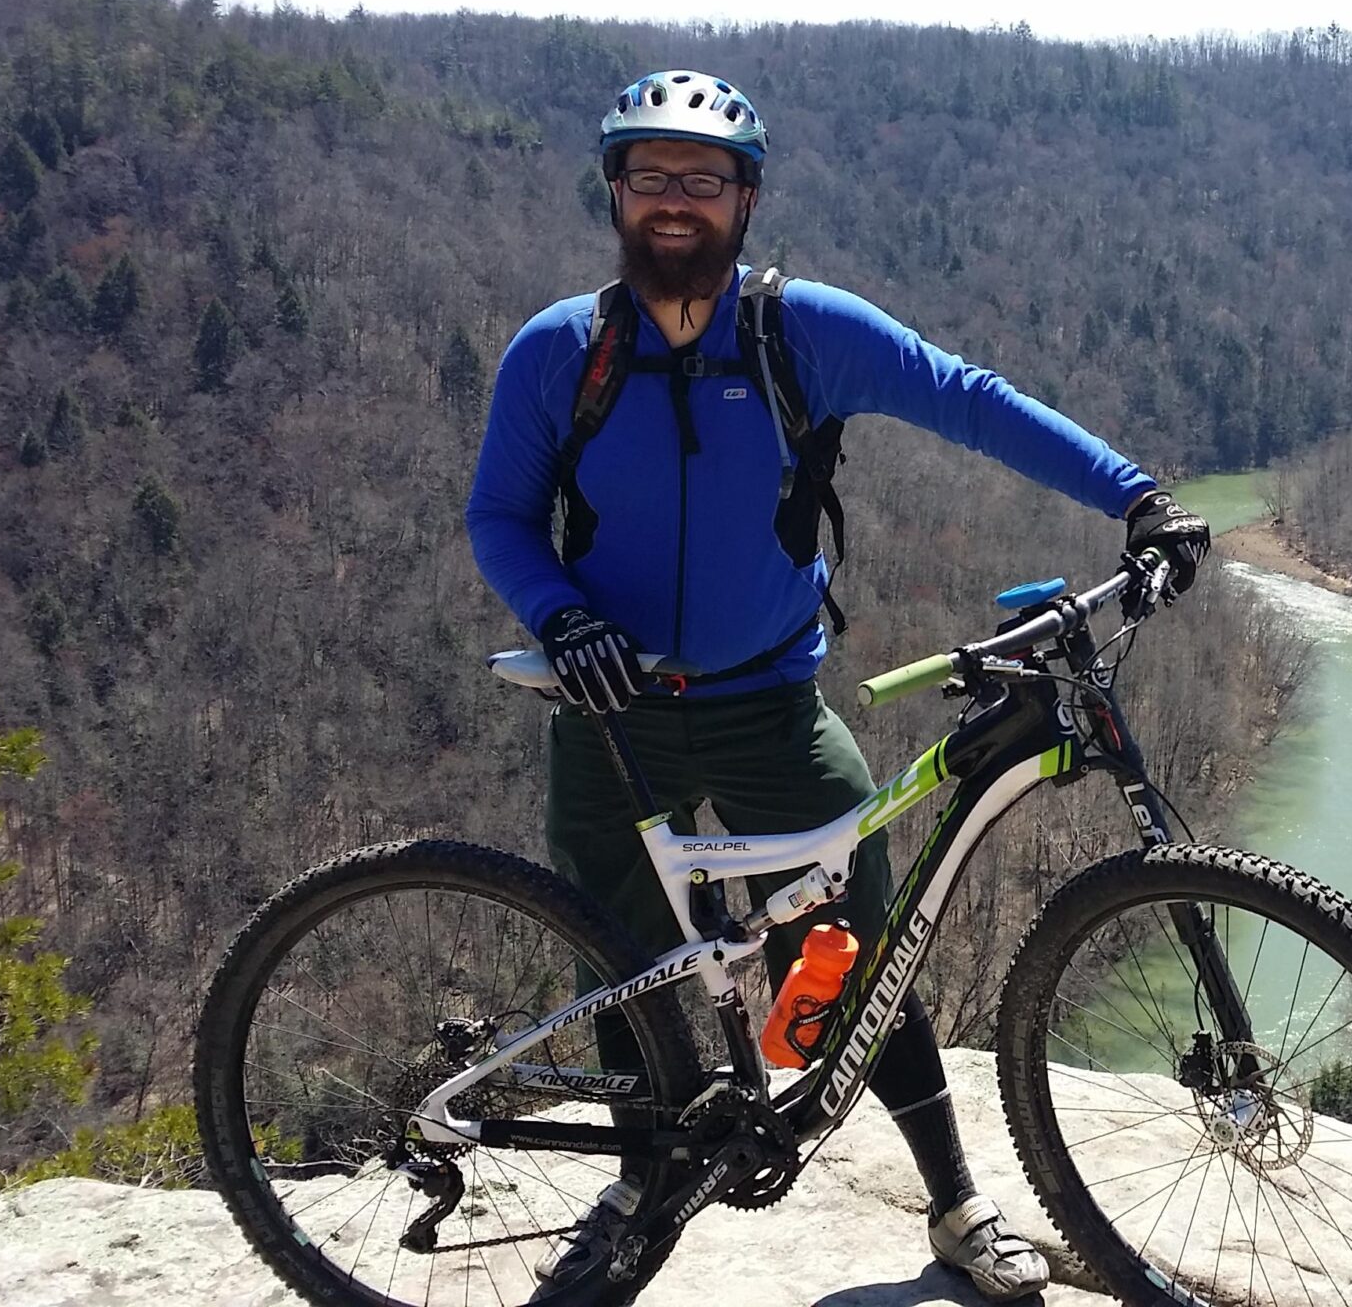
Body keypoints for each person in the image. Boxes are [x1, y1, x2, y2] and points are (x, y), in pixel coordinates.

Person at [465, 69, 1210, 1302]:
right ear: (614, 190)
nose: (674, 203)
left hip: (767, 702)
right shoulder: (563, 352)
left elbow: (969, 398)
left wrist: (1134, 493)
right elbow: (500, 517)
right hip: (610, 715)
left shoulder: (798, 331)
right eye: (651, 176)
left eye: (702, 181)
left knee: (854, 953)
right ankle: (638, 1187)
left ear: (744, 199)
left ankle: (957, 1200)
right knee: (626, 964)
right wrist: (558, 615)